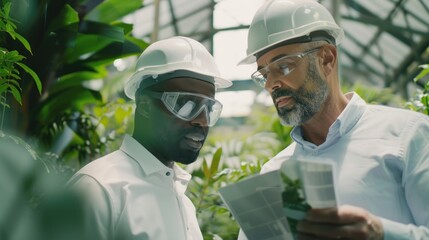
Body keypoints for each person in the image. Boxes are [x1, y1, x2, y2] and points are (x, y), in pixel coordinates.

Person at [237, 0, 429, 239]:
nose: (269, 84)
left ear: (327, 59)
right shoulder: (273, 173)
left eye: (283, 66)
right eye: (263, 73)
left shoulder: (408, 135)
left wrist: (381, 233)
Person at [65, 36, 232, 240]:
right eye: (185, 103)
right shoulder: (99, 189)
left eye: (209, 108)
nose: (202, 121)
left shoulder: (181, 200)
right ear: (144, 106)